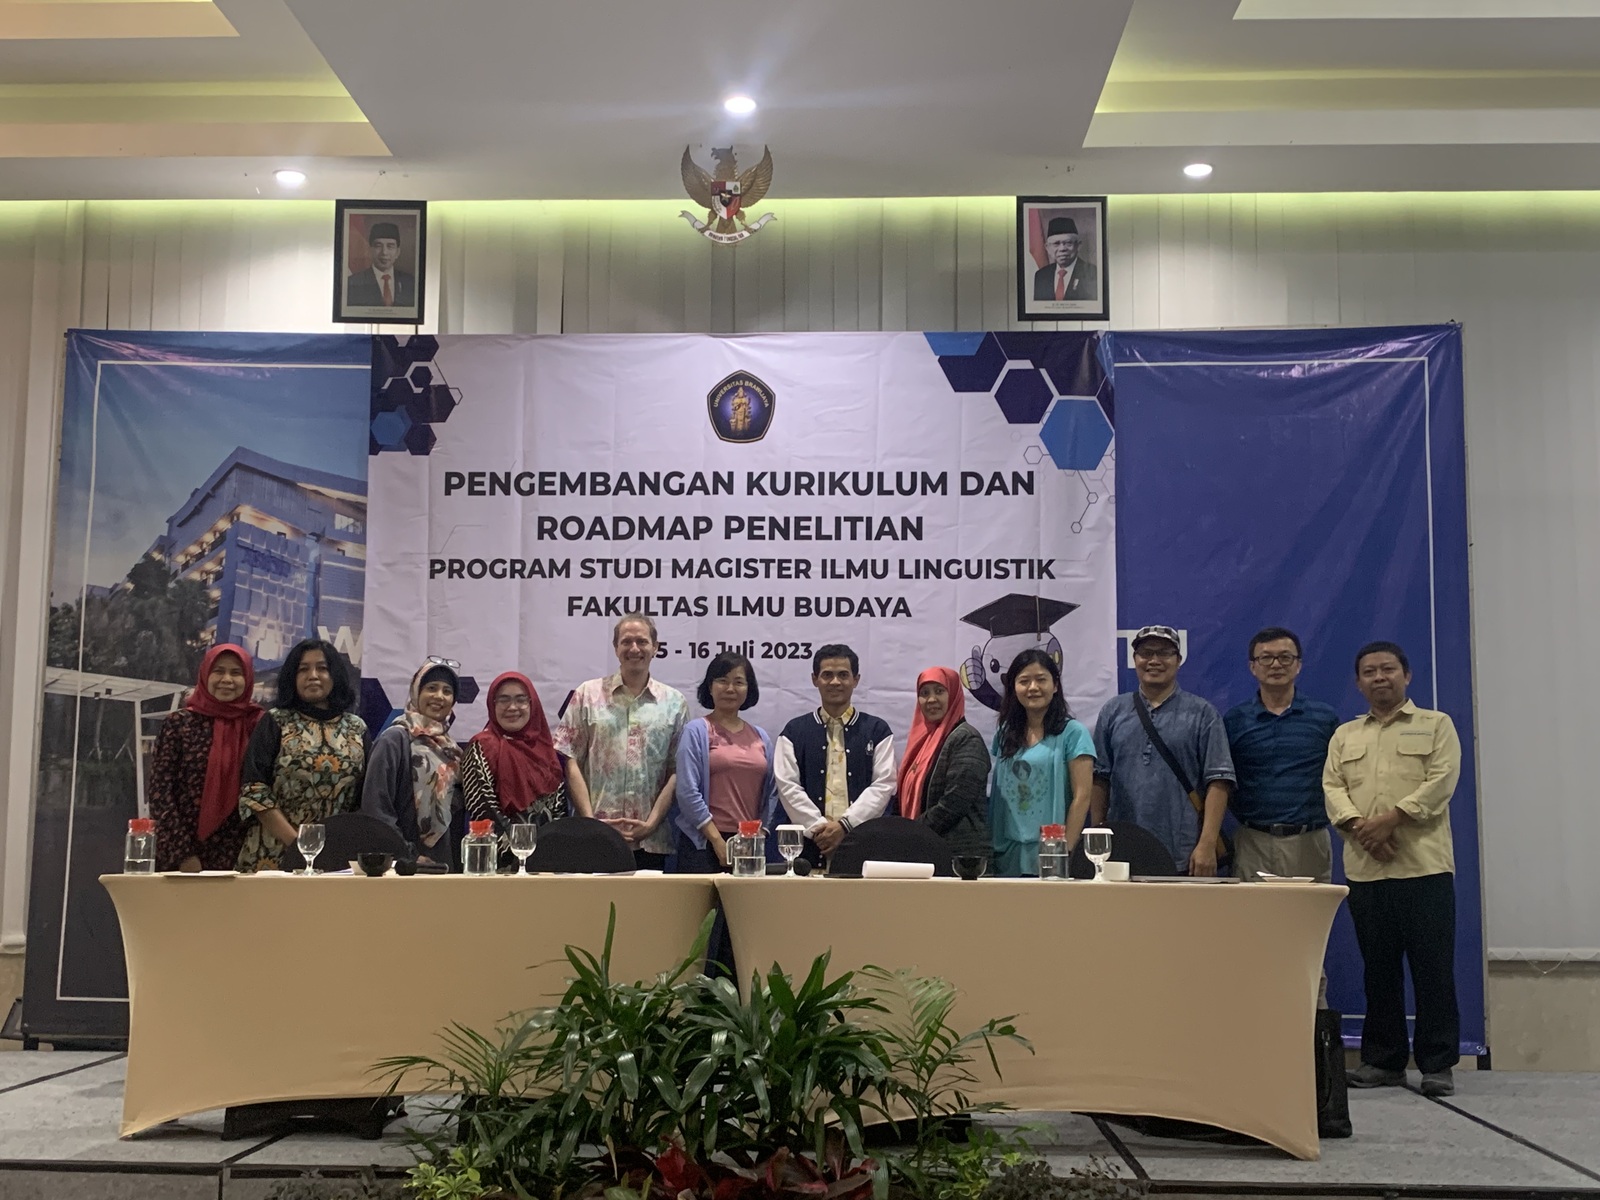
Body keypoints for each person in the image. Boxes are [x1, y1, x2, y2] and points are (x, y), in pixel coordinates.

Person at [1325, 641, 1462, 1098]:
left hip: (1424, 868)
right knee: (1378, 970)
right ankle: (1382, 1061)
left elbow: (1440, 781)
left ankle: (1438, 1064)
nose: (1379, 677)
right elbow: (1333, 787)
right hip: (1366, 869)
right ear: (1358, 682)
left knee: (1432, 969)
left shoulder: (1436, 725)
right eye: (1369, 671)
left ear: (1407, 675)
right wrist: (1361, 827)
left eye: (1388, 669)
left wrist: (1392, 820)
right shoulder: (1346, 735)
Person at [1091, 625, 1234, 876]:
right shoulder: (1113, 711)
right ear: (1134, 659)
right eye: (1146, 653)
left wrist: (1207, 844)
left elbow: (1219, 780)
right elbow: (1099, 778)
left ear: (1178, 660)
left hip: (1184, 853)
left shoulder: (1202, 714)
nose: (1154, 660)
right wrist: (1097, 840)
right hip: (1121, 851)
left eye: (1165, 653)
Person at [554, 614, 689, 870]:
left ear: (656, 647)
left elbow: (676, 771)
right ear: (616, 648)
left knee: (647, 911)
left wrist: (651, 824)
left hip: (651, 841)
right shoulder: (588, 695)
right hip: (593, 839)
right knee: (592, 910)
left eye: (642, 641)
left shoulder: (674, 703)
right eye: (626, 642)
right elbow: (570, 760)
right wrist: (591, 822)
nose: (634, 649)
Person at [236, 638, 366, 873]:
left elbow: (363, 796)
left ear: (335, 676)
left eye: (322, 668)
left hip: (336, 859)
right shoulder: (275, 721)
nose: (313, 675)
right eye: (303, 669)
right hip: (274, 854)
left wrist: (333, 850)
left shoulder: (357, 728)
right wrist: (298, 845)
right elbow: (254, 789)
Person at [1224, 627, 1340, 884]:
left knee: (1309, 922)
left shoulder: (1324, 718)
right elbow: (1223, 780)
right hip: (1253, 840)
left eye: (1285, 657)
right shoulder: (1235, 720)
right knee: (1252, 921)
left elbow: (1342, 779)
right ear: (1252, 667)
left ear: (1298, 665)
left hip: (1309, 840)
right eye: (1266, 658)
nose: (1276, 664)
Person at [774, 643, 896, 864]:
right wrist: (820, 830)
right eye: (827, 675)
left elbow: (883, 784)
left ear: (856, 680)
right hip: (807, 851)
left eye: (843, 675)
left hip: (863, 846)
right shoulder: (794, 731)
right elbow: (787, 786)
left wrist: (845, 827)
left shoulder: (877, 730)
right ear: (815, 679)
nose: (835, 682)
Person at [147, 643, 264, 871]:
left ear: (248, 678)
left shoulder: (258, 725)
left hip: (242, 856)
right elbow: (160, 792)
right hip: (184, 856)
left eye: (236, 672)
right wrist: (182, 854)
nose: (227, 679)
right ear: (205, 674)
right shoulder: (178, 724)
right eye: (218, 671)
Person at [988, 650, 1096, 876]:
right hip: (1006, 850)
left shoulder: (1073, 733)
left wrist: (1064, 850)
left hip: (1051, 853)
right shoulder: (1005, 732)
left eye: (1041, 679)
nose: (1032, 687)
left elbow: (1082, 796)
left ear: (1055, 685)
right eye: (1024, 681)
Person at [674, 652, 781, 870]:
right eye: (722, 681)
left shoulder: (761, 737)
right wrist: (716, 840)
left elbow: (772, 792)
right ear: (710, 687)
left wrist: (758, 836)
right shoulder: (696, 731)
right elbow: (687, 791)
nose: (730, 689)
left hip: (749, 845)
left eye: (738, 682)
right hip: (704, 845)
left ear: (748, 689)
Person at [362, 658, 464, 868]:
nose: (439, 696)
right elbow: (376, 806)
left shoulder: (451, 751)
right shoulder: (394, 740)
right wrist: (407, 854)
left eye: (447, 691)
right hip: (401, 866)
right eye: (431, 688)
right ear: (416, 692)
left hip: (441, 864)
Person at [461, 671, 567, 867]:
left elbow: (558, 814)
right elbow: (484, 811)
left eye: (520, 700)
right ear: (492, 706)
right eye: (503, 700)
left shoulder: (547, 752)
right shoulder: (481, 747)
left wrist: (548, 856)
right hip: (497, 864)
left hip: (547, 865)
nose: (512, 707)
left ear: (532, 703)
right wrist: (520, 857)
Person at [897, 666, 991, 859]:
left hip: (960, 859)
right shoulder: (922, 743)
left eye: (939, 691)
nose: (931, 700)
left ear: (954, 694)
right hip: (923, 850)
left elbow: (954, 803)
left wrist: (910, 831)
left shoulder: (966, 739)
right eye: (924, 693)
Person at [346, 221, 416, 308]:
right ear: (370, 250)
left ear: (398, 252)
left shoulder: (411, 282)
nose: (384, 252)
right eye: (378, 246)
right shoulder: (352, 283)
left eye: (390, 246)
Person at [1031, 216, 1099, 303]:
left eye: (1068, 243)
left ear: (1078, 245)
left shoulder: (1092, 273)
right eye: (1056, 243)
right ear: (1047, 248)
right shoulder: (1041, 276)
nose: (1062, 248)